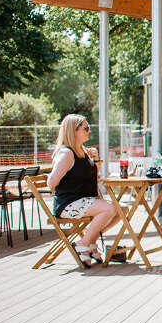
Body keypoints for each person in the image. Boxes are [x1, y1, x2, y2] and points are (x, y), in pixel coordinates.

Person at [47, 114, 121, 267]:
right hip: (68, 204)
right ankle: (83, 243)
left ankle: (90, 240)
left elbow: (93, 180)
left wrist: (96, 162)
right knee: (109, 208)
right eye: (85, 128)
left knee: (121, 210)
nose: (89, 131)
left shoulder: (83, 151)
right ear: (73, 131)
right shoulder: (67, 153)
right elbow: (51, 182)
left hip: (85, 201)